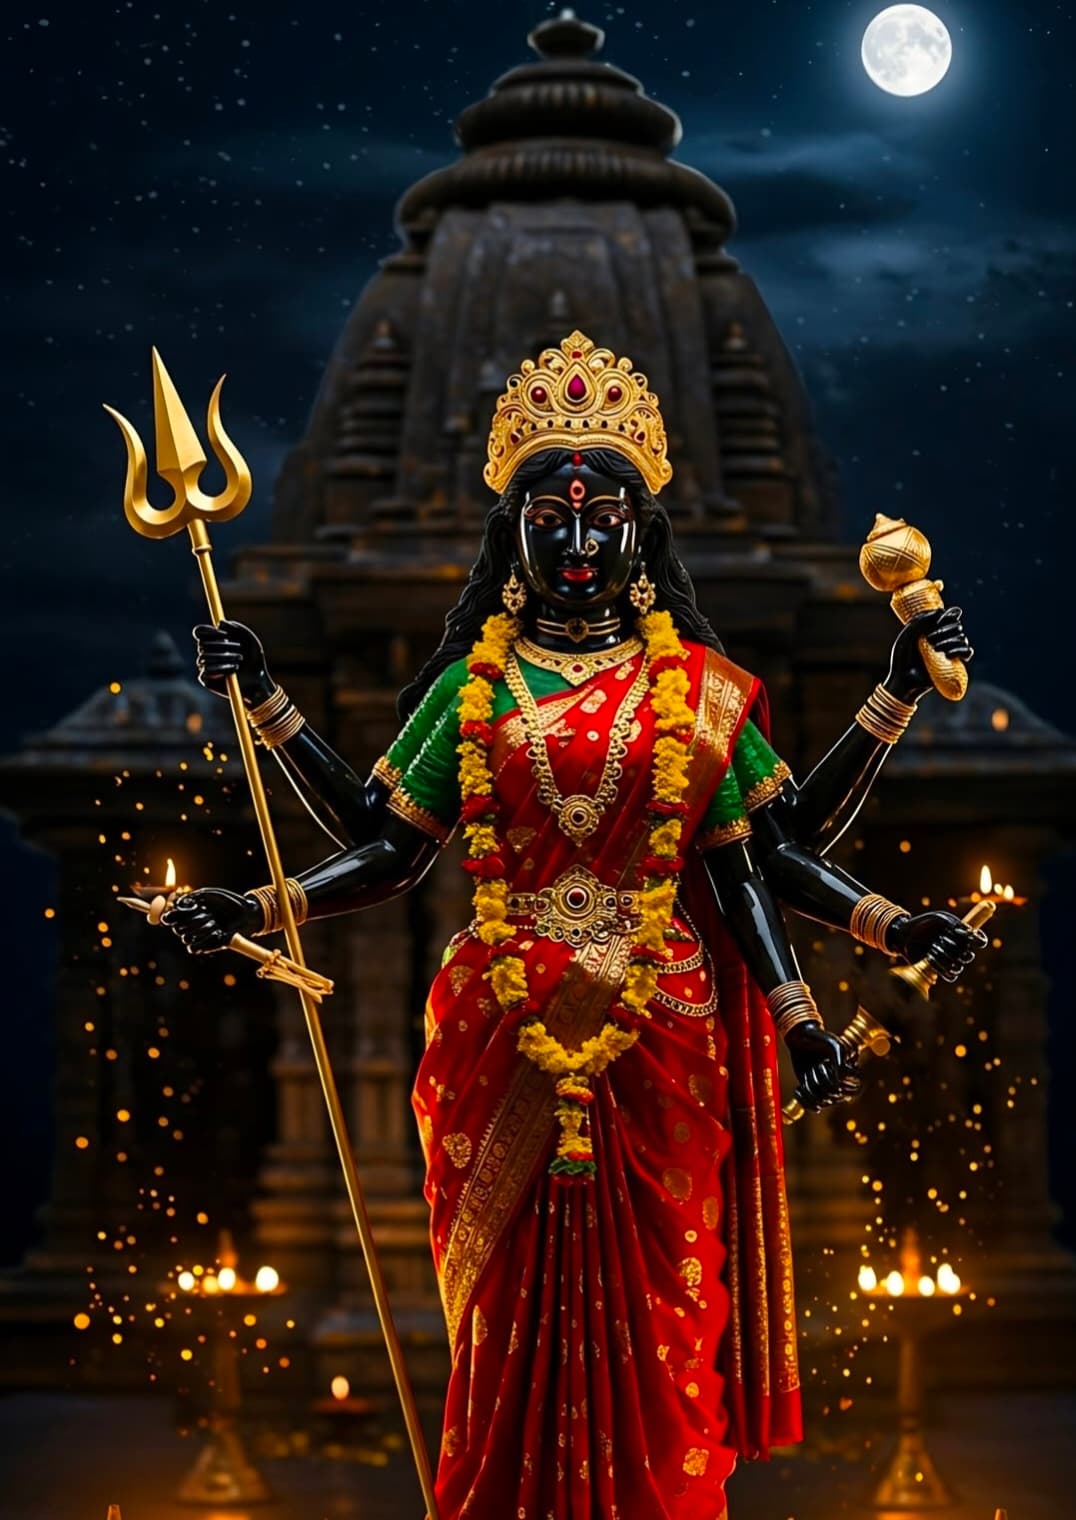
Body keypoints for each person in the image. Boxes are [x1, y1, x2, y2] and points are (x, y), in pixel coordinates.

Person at [162, 332, 983, 1520]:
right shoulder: (470, 688)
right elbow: (385, 840)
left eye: (607, 519)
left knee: (665, 1322)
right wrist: (258, 837)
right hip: (499, 1031)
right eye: (553, 518)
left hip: (662, 1040)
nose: (582, 541)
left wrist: (897, 720)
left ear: (643, 538)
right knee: (506, 1334)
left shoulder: (693, 684)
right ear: (515, 536)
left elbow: (771, 844)